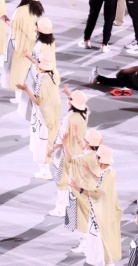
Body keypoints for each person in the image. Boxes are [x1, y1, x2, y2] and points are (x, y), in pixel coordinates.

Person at [70, 145, 122, 266]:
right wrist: (90, 173)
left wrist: (79, 188)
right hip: (102, 213)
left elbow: (97, 193)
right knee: (104, 243)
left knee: (102, 245)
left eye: (98, 157)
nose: (96, 159)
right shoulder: (108, 172)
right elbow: (101, 181)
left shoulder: (108, 175)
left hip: (103, 216)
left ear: (102, 159)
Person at [16, 53, 61, 186]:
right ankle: (49, 166)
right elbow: (41, 65)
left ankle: (45, 170)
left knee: (41, 141)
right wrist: (30, 58)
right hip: (53, 113)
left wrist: (25, 89)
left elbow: (37, 100)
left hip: (43, 115)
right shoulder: (54, 74)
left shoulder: (42, 79)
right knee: (50, 138)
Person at [48, 88, 88, 216]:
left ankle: (60, 208)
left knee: (63, 182)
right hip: (80, 153)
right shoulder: (85, 113)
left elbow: (62, 138)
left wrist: (52, 149)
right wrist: (69, 94)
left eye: (69, 99)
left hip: (67, 153)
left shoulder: (69, 118)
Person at [61, 128, 101, 247]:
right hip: (89, 188)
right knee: (87, 216)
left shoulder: (85, 158)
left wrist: (64, 144)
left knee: (81, 218)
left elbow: (70, 159)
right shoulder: (96, 155)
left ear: (89, 143)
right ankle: (87, 242)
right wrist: (77, 137)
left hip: (80, 190)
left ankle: (84, 244)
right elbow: (85, 148)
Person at [4, 0, 43, 101]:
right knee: (28, 71)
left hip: (21, 45)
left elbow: (14, 25)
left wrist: (5, 20)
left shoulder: (21, 10)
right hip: (33, 44)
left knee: (19, 71)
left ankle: (19, 97)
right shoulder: (37, 7)